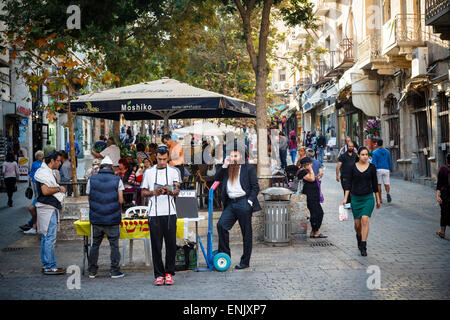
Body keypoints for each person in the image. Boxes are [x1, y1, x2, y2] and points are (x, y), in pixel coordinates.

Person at [214, 144, 261, 270]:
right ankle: (225, 257)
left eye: (235, 155)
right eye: (231, 155)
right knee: (221, 225)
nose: (232, 157)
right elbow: (216, 179)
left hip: (243, 202)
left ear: (241, 156)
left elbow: (255, 187)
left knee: (246, 233)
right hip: (231, 203)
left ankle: (245, 261)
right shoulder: (227, 168)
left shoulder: (248, 169)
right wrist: (224, 165)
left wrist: (249, 202)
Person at [141, 145, 181, 286]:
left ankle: (169, 273)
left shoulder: (174, 171)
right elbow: (143, 192)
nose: (162, 162)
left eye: (164, 159)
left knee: (171, 245)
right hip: (154, 213)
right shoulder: (149, 173)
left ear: (168, 158)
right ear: (155, 157)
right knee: (156, 245)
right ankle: (158, 275)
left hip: (170, 212)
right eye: (159, 159)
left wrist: (169, 190)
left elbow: (177, 190)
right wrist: (154, 192)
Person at [86, 156, 125, 279]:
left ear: (101, 167)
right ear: (111, 167)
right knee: (114, 245)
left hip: (96, 219)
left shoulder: (91, 179)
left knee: (95, 245)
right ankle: (114, 271)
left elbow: (89, 198)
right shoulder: (117, 179)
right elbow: (120, 200)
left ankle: (92, 271)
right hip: (112, 219)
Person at [342, 147, 380, 257]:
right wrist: (345, 198)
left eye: (366, 154)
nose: (365, 156)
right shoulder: (352, 167)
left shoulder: (372, 167)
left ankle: (363, 245)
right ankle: (359, 237)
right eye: (362, 154)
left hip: (368, 198)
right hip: (355, 199)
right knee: (357, 225)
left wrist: (377, 199)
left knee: (365, 219)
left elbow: (375, 184)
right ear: (358, 155)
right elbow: (348, 184)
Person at [34, 151, 67, 275]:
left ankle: (48, 264)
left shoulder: (47, 172)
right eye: (58, 160)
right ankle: (50, 266)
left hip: (48, 207)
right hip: (47, 208)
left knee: (46, 237)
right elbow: (45, 190)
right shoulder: (43, 173)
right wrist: (59, 189)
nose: (60, 163)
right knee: (49, 238)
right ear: (52, 161)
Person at [297, 157, 327, 238]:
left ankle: (314, 231)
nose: (311, 165)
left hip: (314, 195)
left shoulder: (305, 171)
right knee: (317, 213)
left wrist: (318, 176)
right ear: (306, 165)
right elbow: (311, 178)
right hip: (310, 195)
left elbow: (313, 179)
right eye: (310, 164)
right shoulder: (302, 172)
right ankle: (315, 231)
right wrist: (311, 169)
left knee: (317, 213)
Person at [20, 150, 44, 233]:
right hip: (35, 180)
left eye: (41, 155)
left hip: (41, 181)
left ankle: (33, 224)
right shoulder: (34, 163)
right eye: (39, 156)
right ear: (37, 157)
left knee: (38, 195)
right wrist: (30, 179)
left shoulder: (43, 164)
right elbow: (32, 172)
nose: (41, 157)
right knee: (36, 193)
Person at [336, 141, 358, 205]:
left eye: (352, 146)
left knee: (352, 190)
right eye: (349, 146)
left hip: (354, 176)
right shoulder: (343, 156)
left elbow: (358, 164)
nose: (350, 148)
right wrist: (337, 175)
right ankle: (348, 204)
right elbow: (338, 166)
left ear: (353, 147)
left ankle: (352, 203)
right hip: (344, 176)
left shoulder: (355, 156)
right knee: (346, 190)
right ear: (347, 147)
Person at [371, 139, 392, 203]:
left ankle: (380, 199)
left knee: (378, 184)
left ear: (377, 143)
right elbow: (389, 161)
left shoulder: (374, 152)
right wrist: (390, 169)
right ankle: (388, 193)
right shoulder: (387, 151)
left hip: (378, 169)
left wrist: (373, 170)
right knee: (387, 183)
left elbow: (374, 163)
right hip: (386, 169)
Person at [436, 154, 450, 239]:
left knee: (444, 213)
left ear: (446, 160)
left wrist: (438, 196)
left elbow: (439, 185)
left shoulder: (443, 169)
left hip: (445, 195)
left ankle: (442, 232)